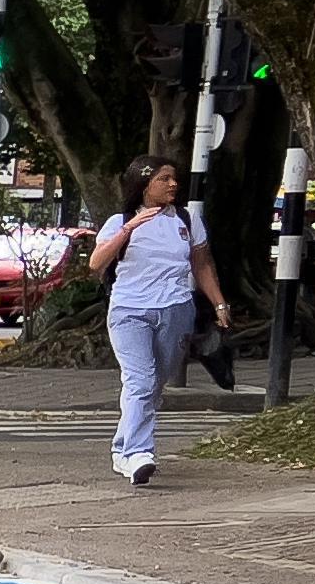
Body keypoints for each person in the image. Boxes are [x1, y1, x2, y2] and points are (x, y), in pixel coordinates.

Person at [91, 156, 226, 484]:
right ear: (144, 184)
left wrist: (219, 304)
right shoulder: (119, 221)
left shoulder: (186, 219)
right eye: (164, 179)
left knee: (153, 385)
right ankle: (138, 453)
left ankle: (122, 449)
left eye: (174, 178)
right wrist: (129, 228)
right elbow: (96, 263)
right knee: (139, 379)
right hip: (129, 311)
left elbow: (201, 264)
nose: (173, 184)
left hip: (176, 310)